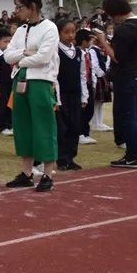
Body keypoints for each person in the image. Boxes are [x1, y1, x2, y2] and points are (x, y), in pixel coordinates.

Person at [4, 0, 60, 191]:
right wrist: (25, 55)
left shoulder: (49, 28)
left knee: (44, 126)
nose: (17, 11)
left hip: (41, 82)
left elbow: (44, 58)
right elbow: (7, 55)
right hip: (20, 80)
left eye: (20, 7)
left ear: (32, 7)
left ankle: (47, 174)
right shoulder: (21, 30)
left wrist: (21, 58)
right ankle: (26, 173)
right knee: (23, 126)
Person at [92, 0, 137, 168]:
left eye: (111, 14)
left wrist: (103, 42)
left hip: (127, 77)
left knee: (129, 118)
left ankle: (132, 156)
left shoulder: (124, 29)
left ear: (116, 12)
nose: (111, 18)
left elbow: (118, 57)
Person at [54, 19, 87, 171]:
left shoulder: (79, 52)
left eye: (73, 32)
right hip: (62, 95)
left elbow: (82, 75)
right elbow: (54, 76)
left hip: (75, 94)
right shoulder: (55, 51)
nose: (70, 35)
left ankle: (71, 157)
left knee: (75, 126)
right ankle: (61, 158)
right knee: (62, 128)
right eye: (66, 32)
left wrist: (84, 96)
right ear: (59, 33)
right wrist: (57, 99)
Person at [0, 28, 14, 136]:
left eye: (10, 41)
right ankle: (2, 126)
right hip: (1, 85)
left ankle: (10, 124)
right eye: (5, 41)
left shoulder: (10, 55)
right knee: (1, 105)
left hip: (10, 83)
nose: (8, 44)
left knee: (10, 104)